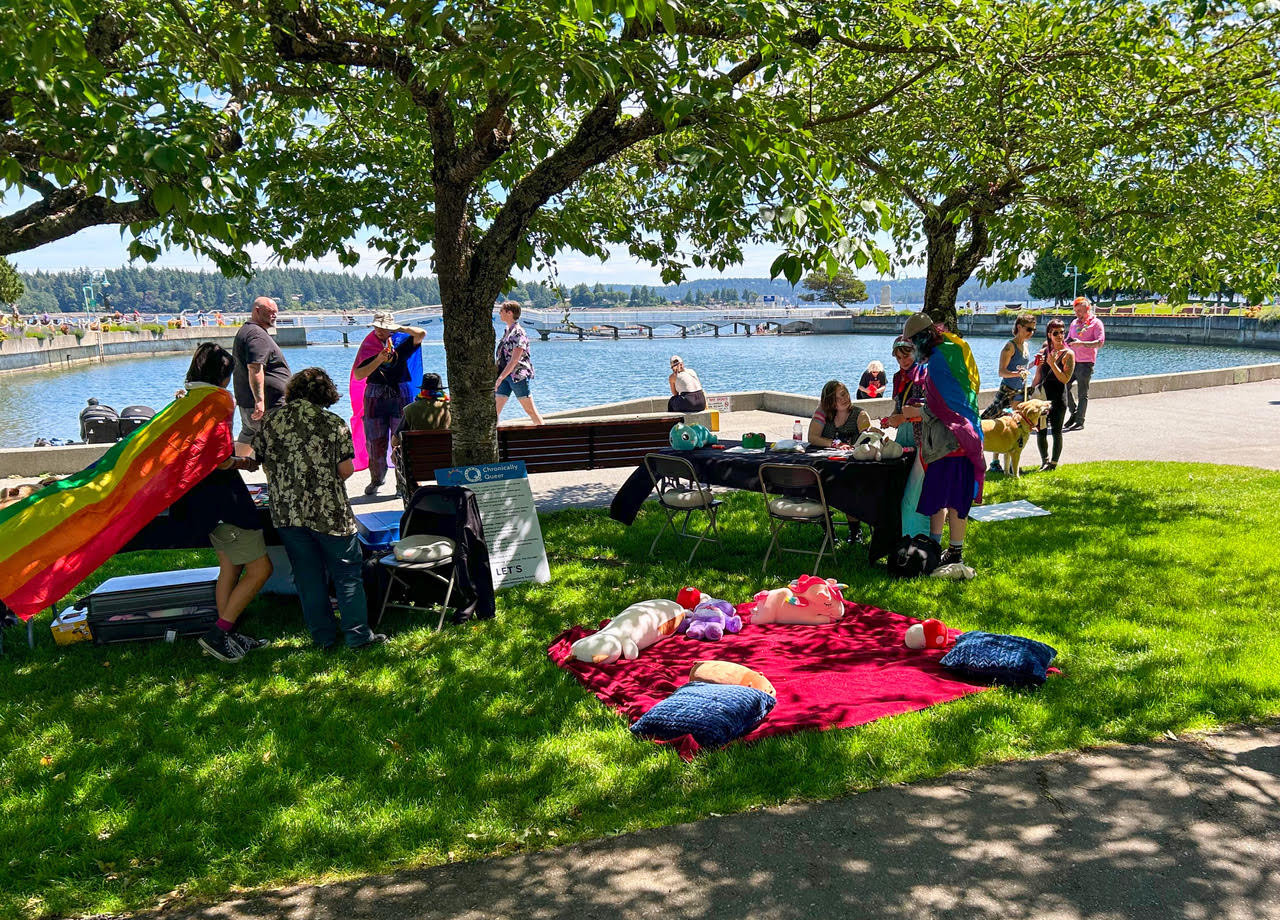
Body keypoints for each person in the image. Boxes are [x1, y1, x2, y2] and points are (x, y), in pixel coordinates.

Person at [252, 368, 385, 650]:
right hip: (329, 510)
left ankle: (323, 637)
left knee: (307, 575)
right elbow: (346, 470)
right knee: (347, 572)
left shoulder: (271, 421)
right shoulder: (332, 423)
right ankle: (358, 636)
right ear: (326, 394)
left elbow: (259, 460)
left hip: (287, 511)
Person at [172, 343, 274, 664]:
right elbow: (218, 460)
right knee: (261, 569)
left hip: (199, 502)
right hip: (223, 498)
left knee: (229, 567)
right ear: (222, 375)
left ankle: (228, 633)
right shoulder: (217, 401)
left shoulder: (185, 400)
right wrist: (244, 464)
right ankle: (220, 633)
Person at [897, 313, 984, 567]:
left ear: (920, 339)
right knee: (941, 497)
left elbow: (942, 406)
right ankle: (935, 549)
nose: (912, 349)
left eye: (912, 343)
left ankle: (952, 552)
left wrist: (916, 412)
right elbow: (957, 395)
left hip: (953, 440)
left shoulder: (937, 361)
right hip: (961, 435)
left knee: (954, 499)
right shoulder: (952, 347)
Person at [352, 311, 427, 495]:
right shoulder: (369, 345)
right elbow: (359, 375)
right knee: (374, 440)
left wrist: (399, 328)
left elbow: (421, 334)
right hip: (374, 394)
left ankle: (402, 483)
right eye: (377, 326)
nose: (379, 330)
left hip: (400, 392)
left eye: (383, 327)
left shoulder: (402, 340)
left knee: (400, 439)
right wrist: (379, 359)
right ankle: (377, 478)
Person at [980, 312, 1037, 472]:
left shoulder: (1025, 345)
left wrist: (1033, 364)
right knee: (996, 424)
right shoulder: (1009, 346)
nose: (1031, 333)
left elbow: (1022, 368)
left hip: (1020, 390)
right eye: (1028, 329)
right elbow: (1002, 372)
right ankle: (995, 463)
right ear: (1019, 327)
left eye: (1033, 330)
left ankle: (1013, 464)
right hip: (1007, 391)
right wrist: (1018, 374)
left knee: (1016, 427)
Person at [232, 296, 291, 446]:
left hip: (248, 403)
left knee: (247, 437)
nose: (275, 315)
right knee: (280, 445)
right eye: (271, 312)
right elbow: (255, 367)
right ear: (257, 311)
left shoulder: (248, 331)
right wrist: (260, 400)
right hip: (268, 406)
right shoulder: (257, 335)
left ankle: (229, 468)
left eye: (276, 312)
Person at [1032, 319, 1076, 472]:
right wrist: (1031, 392)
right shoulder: (1045, 351)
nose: (1059, 336)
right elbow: (1038, 375)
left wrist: (1052, 364)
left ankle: (1053, 463)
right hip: (1043, 397)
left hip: (1058, 397)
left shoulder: (1068, 354)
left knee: (1056, 431)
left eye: (1062, 332)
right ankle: (1044, 461)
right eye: (1055, 333)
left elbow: (1065, 379)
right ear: (1049, 334)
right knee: (1041, 430)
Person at [495, 300, 544, 426]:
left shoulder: (518, 332)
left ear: (509, 313)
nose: (499, 313)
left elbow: (514, 360)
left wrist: (500, 378)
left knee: (530, 410)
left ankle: (544, 434)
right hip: (505, 376)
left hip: (517, 377)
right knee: (494, 411)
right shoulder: (507, 331)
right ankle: (495, 441)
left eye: (501, 311)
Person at [1064, 296, 1105, 431]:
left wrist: (1082, 344)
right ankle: (1074, 413)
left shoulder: (1096, 323)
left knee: (1083, 393)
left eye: (1080, 311)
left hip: (1086, 363)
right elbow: (1068, 340)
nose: (1077, 314)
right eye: (1076, 311)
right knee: (1064, 386)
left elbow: (1100, 342)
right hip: (1072, 361)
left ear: (1088, 309)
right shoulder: (1074, 323)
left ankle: (1080, 421)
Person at [808, 380, 867, 447]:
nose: (842, 399)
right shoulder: (823, 412)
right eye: (836, 399)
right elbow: (812, 438)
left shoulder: (860, 414)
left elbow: (868, 437)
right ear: (829, 402)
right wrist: (835, 444)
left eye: (843, 394)